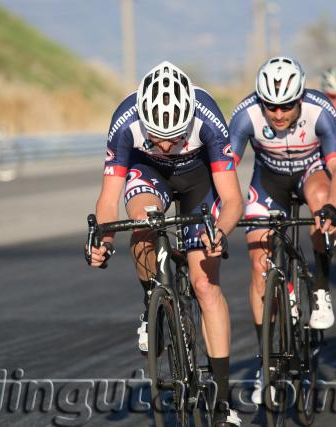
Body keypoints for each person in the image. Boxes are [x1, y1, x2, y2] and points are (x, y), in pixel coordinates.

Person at [86, 61, 243, 426]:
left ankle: (222, 400)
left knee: (205, 285)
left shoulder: (207, 117)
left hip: (199, 180)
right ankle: (151, 300)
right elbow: (109, 200)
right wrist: (104, 239)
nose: (169, 145)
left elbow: (233, 199)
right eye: (158, 136)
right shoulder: (125, 121)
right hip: (149, 174)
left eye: (176, 135)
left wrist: (219, 232)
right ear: (143, 120)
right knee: (142, 220)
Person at [229, 56, 336, 404]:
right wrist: (223, 209)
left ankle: (322, 290)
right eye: (271, 107)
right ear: (259, 100)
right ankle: (265, 360)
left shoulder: (320, 109)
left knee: (320, 201)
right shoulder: (245, 114)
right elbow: (225, 169)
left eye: (286, 106)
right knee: (257, 264)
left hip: (312, 174)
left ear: (300, 98)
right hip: (267, 182)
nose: (279, 115)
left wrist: (332, 208)